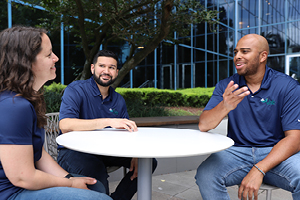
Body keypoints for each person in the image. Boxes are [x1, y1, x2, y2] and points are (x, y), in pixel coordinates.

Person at [0, 26, 112, 200]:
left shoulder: (27, 100)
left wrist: (68, 178)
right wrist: (71, 184)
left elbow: (38, 154)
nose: (56, 58)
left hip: (21, 183)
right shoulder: (14, 106)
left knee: (96, 187)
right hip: (11, 192)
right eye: (48, 54)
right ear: (26, 61)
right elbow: (22, 177)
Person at [195, 34, 300, 200]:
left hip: (275, 152)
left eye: (245, 51)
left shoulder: (287, 86)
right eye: (236, 52)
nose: (237, 56)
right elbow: (204, 125)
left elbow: (294, 139)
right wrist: (225, 105)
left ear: (262, 56)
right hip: (236, 151)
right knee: (205, 175)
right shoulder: (226, 86)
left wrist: (259, 169)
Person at [57, 49, 158, 200]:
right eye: (102, 66)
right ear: (93, 68)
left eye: (111, 67)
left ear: (116, 72)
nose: (106, 71)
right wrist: (108, 122)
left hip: (106, 150)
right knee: (95, 167)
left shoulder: (118, 100)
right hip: (74, 151)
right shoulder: (76, 89)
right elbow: (65, 125)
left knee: (147, 162)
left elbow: (128, 132)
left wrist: (137, 154)